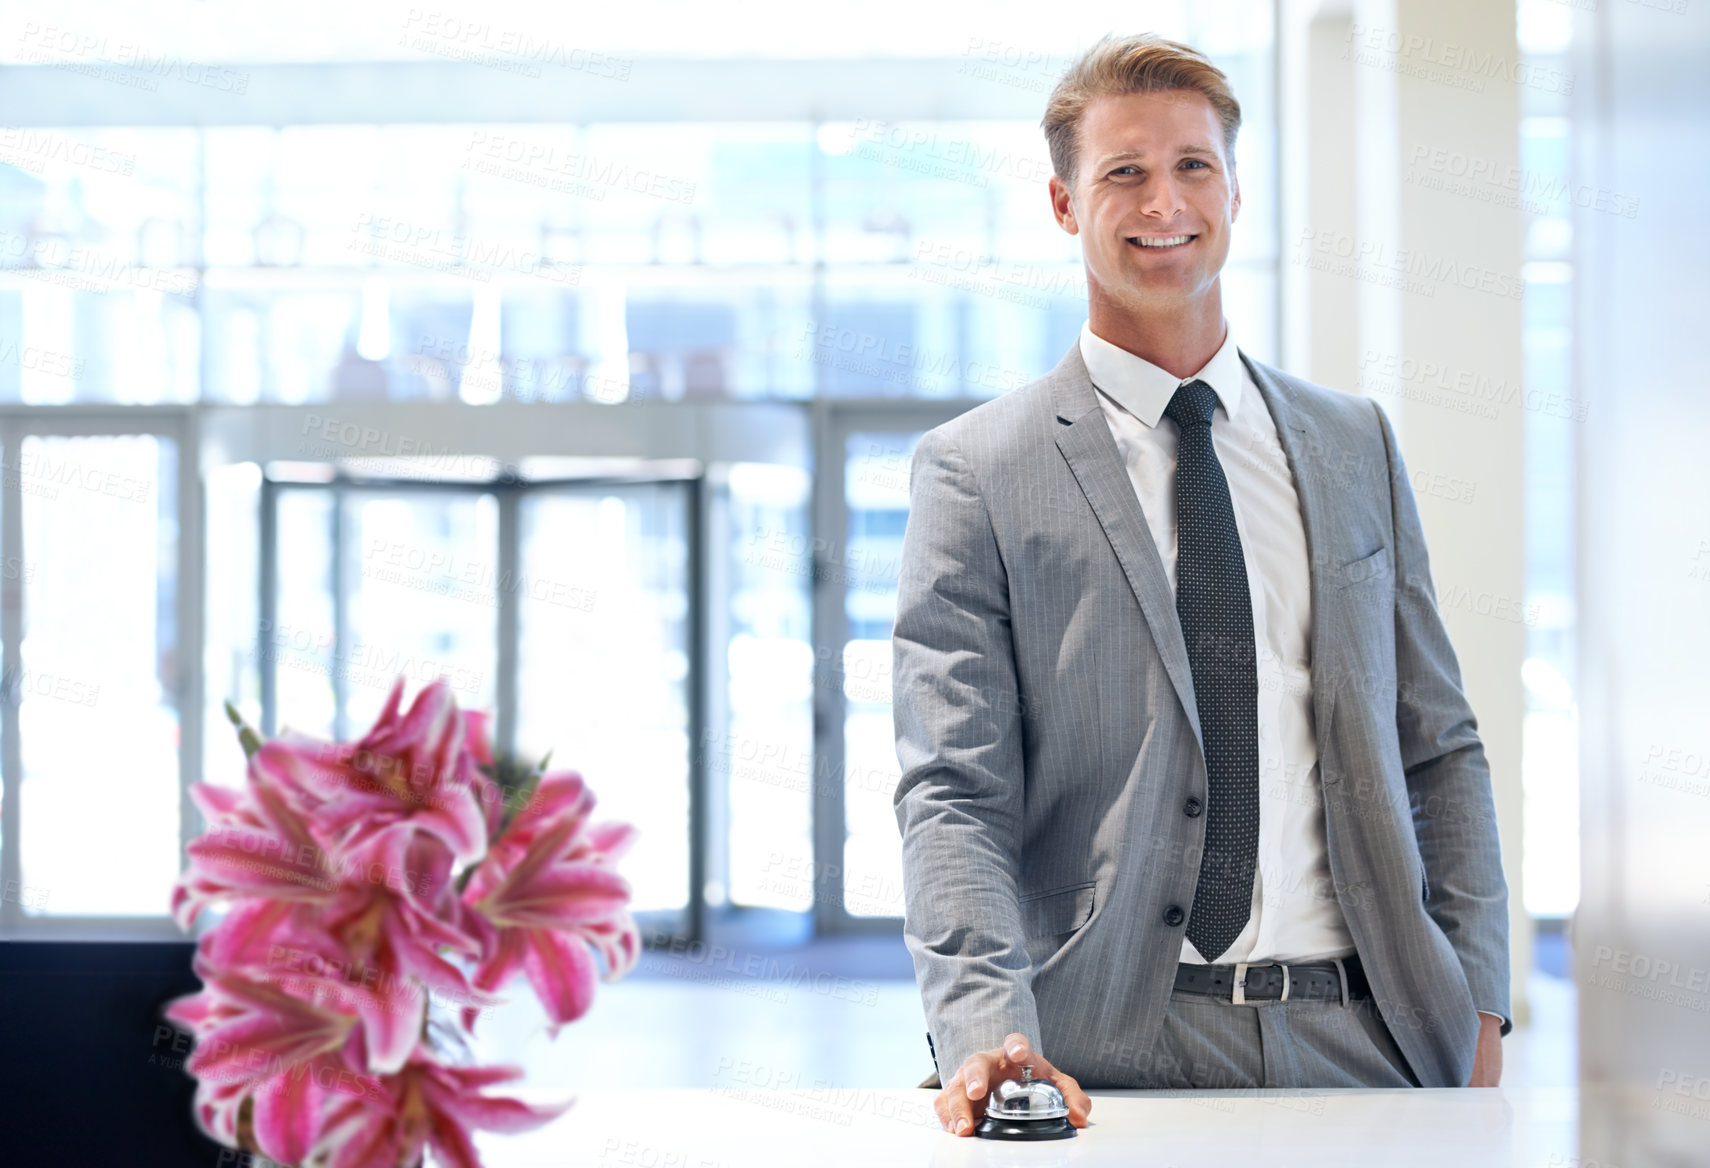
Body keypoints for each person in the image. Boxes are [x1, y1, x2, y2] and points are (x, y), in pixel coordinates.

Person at [889, 31, 1510, 1137]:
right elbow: (953, 791)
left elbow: (1439, 744)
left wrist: (1481, 1001)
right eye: (1123, 171)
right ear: (1064, 204)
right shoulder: (979, 471)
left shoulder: (1351, 441)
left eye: (1192, 166)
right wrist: (988, 1032)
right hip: (1108, 1052)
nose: (1162, 200)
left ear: (1234, 189)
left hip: (1371, 1041)